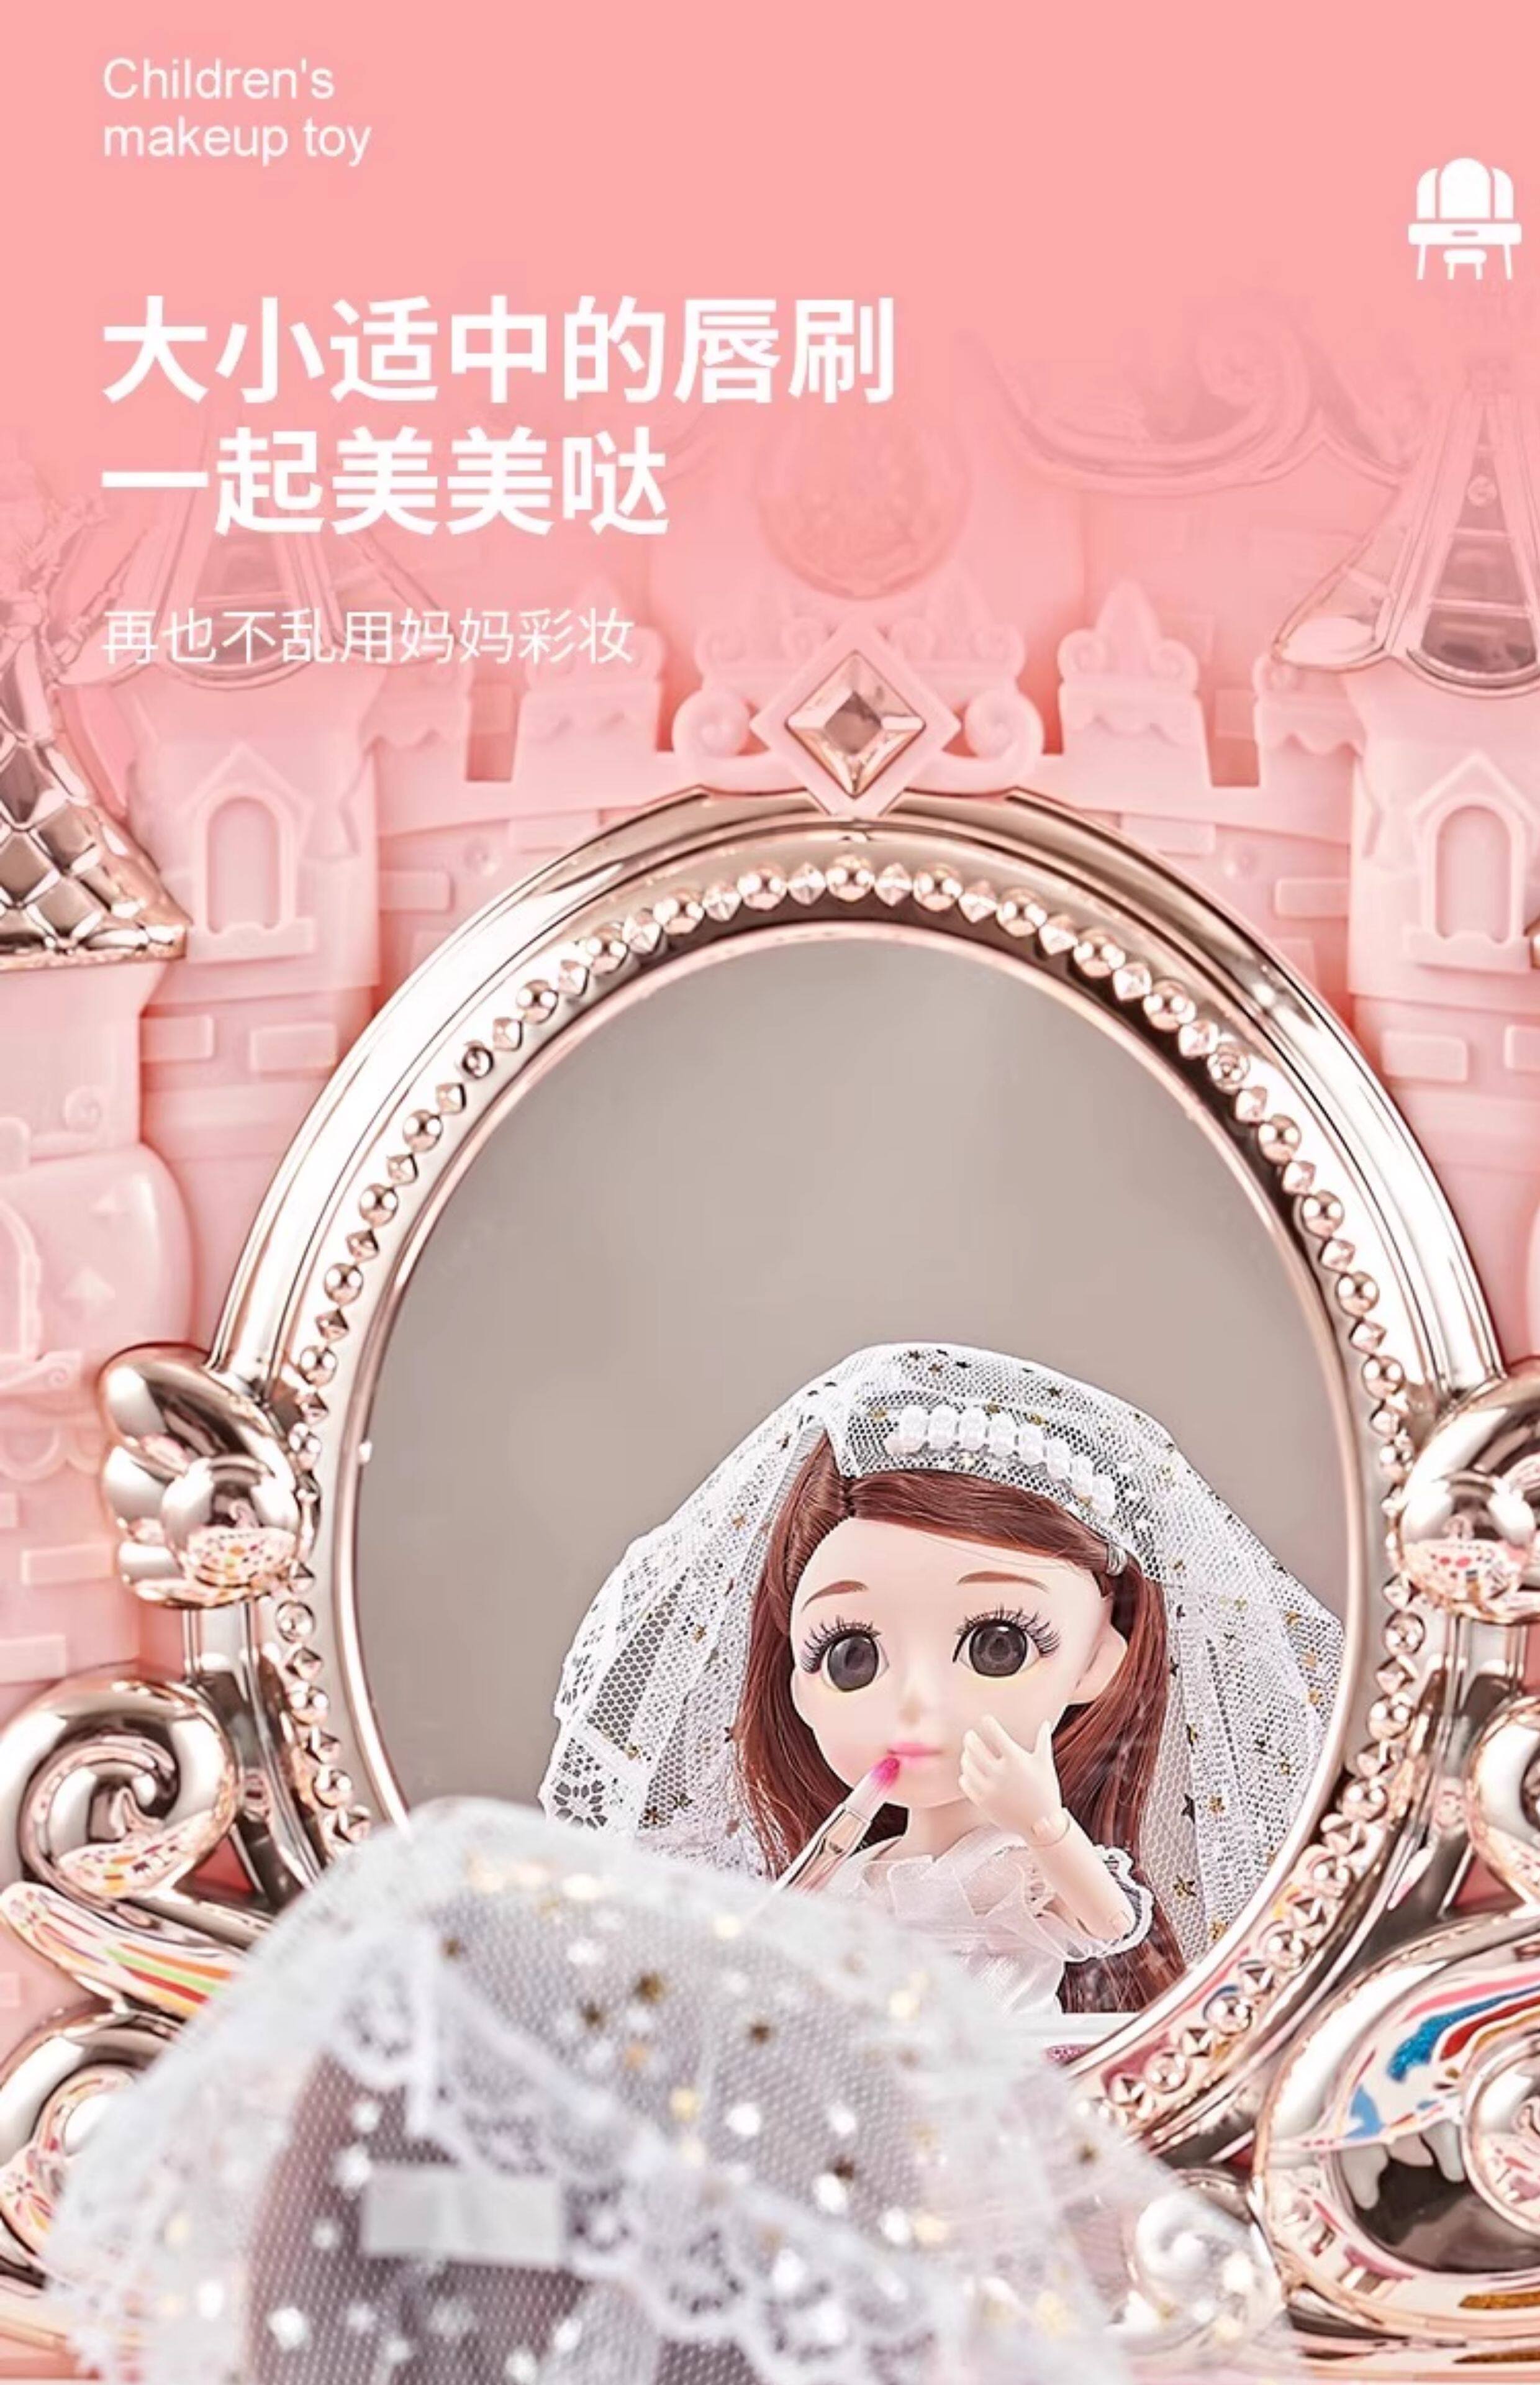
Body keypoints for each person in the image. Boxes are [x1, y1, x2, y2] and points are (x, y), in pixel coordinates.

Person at [542, 1343, 1343, 2017]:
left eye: (999, 1645)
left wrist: (1043, 1824)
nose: (917, 1706)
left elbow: (1108, 1926)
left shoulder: (1010, 1867)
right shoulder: (855, 1876)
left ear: (1099, 1657)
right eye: (850, 1655)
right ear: (800, 1687)